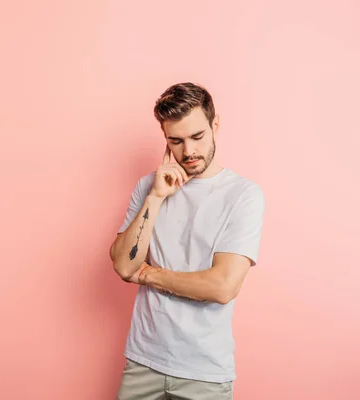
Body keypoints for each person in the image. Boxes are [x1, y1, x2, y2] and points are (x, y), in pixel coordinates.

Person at [109, 82, 266, 400]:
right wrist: (156, 196)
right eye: (176, 141)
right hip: (143, 362)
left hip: (204, 373)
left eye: (197, 137)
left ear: (215, 125)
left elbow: (221, 287)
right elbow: (125, 266)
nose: (189, 152)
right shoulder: (148, 186)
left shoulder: (242, 196)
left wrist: (150, 274)